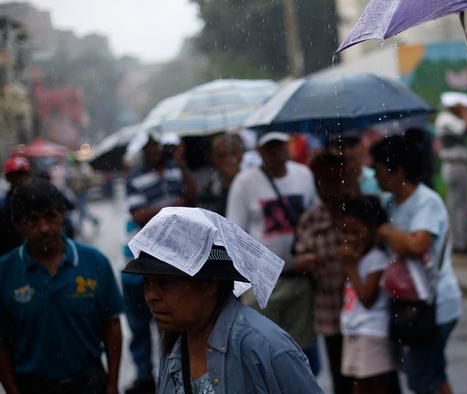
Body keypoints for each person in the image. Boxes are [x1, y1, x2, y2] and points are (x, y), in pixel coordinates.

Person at [122, 207, 323, 393]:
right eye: (147, 283)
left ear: (209, 284)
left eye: (164, 283)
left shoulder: (266, 347)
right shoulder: (175, 345)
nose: (151, 296)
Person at [0, 177, 123, 394]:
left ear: (63, 214)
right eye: (32, 220)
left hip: (90, 384)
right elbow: (1, 343)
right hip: (32, 387)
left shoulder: (95, 262)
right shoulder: (5, 271)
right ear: (18, 223)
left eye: (50, 217)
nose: (44, 228)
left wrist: (112, 385)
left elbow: (111, 324)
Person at [370, 134, 462, 394]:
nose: (375, 176)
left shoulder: (426, 201)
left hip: (434, 304)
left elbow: (416, 244)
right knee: (431, 373)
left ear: (397, 170)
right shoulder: (391, 203)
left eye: (377, 169)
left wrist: (386, 232)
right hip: (413, 304)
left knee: (422, 377)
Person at [226, 131, 318, 370]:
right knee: (263, 354)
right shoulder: (245, 182)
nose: (275, 153)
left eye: (279, 146)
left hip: (300, 281)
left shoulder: (304, 175)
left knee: (300, 354)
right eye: (269, 148)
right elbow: (235, 236)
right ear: (260, 151)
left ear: (287, 148)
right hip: (262, 285)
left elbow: (315, 219)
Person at [122, 133, 198, 394]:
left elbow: (192, 196)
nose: (154, 150)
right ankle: (145, 377)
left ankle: (172, 378)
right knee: (140, 324)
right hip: (145, 258)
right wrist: (174, 208)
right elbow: (139, 214)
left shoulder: (177, 170)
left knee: (170, 326)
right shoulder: (135, 177)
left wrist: (183, 165)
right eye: (149, 146)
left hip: (175, 259)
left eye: (157, 145)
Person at [293, 152, 354, 394]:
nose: (329, 189)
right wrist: (307, 261)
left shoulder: (358, 209)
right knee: (340, 375)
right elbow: (298, 258)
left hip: (363, 307)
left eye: (334, 182)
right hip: (330, 309)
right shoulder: (311, 219)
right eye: (323, 183)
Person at [338, 197, 400, 394]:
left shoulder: (377, 260)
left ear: (372, 232)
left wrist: (350, 267)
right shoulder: (356, 258)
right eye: (345, 232)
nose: (349, 238)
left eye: (356, 232)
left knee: (374, 385)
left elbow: (367, 299)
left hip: (372, 332)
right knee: (358, 383)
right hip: (354, 330)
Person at [435, 92, 467, 254]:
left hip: (458, 166)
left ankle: (462, 242)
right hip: (454, 166)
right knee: (457, 206)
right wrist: (465, 112)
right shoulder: (446, 118)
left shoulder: (449, 118)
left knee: (462, 205)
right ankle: (459, 244)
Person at [200, 133, 244, 215]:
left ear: (241, 156)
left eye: (232, 154)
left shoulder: (250, 180)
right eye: (221, 155)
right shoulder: (212, 184)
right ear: (213, 158)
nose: (227, 159)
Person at [0, 157, 31, 256]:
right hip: (11, 250)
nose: (18, 178)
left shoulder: (36, 198)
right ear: (8, 178)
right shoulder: (4, 203)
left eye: (21, 174)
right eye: (14, 175)